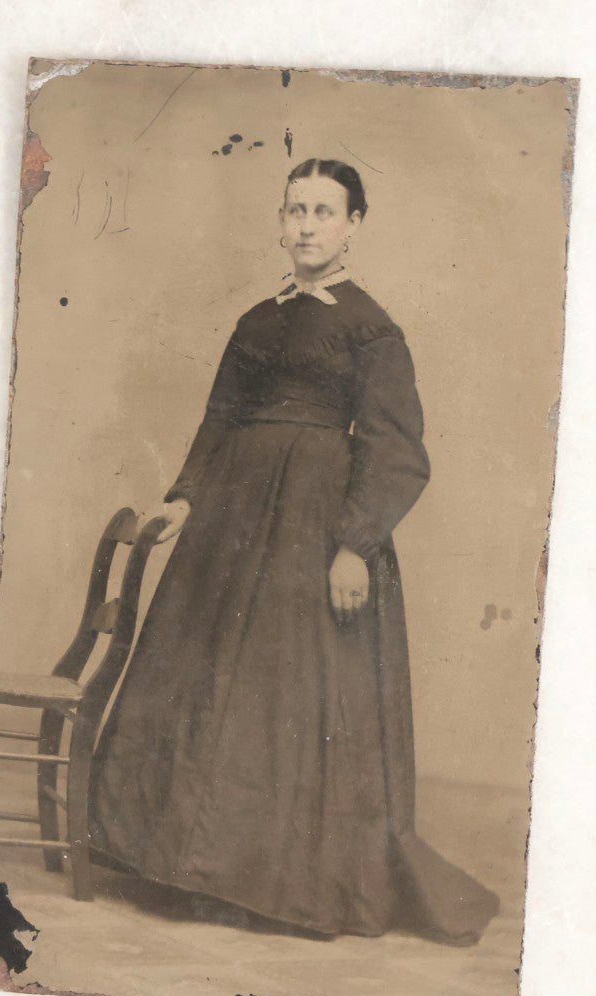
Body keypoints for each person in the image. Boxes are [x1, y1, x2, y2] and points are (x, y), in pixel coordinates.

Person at [88, 158, 500, 945]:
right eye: (294, 210)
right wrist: (183, 497)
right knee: (207, 682)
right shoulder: (254, 322)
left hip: (315, 527)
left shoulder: (371, 328)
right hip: (230, 528)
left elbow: (397, 449)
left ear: (353, 225)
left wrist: (354, 546)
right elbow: (218, 419)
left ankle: (275, 883)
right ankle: (181, 866)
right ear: (280, 222)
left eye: (323, 211)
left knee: (289, 694)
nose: (306, 225)